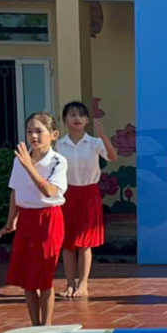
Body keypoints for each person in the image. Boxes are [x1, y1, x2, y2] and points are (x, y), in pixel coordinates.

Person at [0, 112, 68, 327]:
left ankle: (46, 326)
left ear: (54, 134)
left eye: (39, 131)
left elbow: (49, 191)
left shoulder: (58, 161)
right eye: (29, 131)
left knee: (44, 276)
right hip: (26, 220)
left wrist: (29, 166)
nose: (33, 136)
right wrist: (11, 221)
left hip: (49, 220)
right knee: (28, 278)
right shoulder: (20, 159)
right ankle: (35, 326)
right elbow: (15, 192)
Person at [56, 101, 117, 300]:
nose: (77, 119)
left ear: (87, 120)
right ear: (65, 119)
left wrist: (103, 137)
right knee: (68, 242)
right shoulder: (59, 144)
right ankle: (69, 283)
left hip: (89, 193)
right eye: (72, 115)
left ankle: (83, 283)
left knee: (85, 242)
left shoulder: (94, 142)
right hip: (66, 194)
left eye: (81, 115)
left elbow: (113, 157)